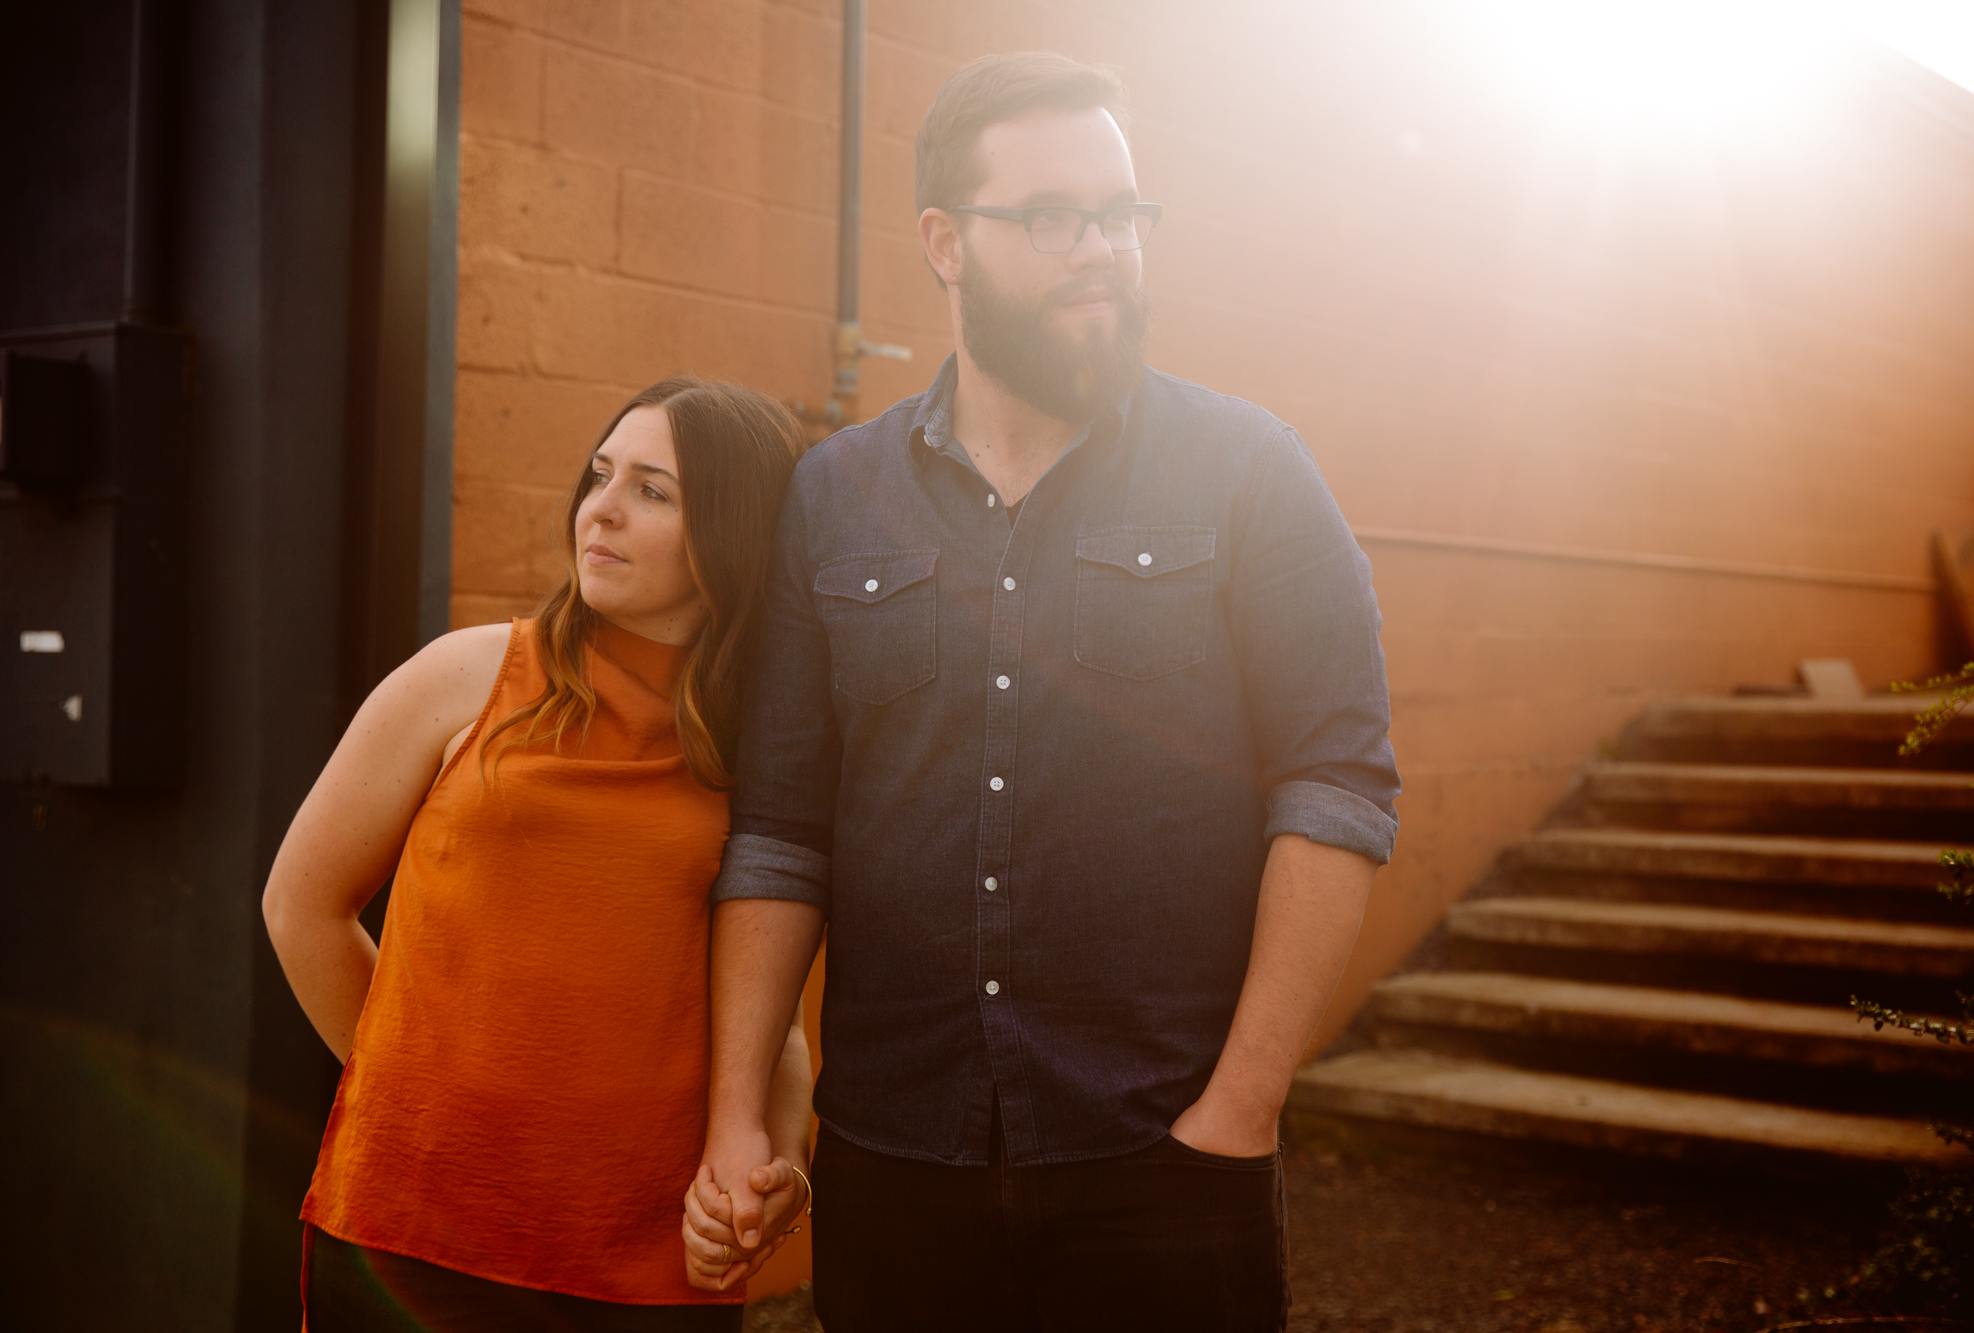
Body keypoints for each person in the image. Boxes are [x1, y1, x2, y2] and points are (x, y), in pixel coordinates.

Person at [687, 52, 1401, 1332]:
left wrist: (1239, 1107)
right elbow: (782, 830)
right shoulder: (832, 495)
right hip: (895, 1163)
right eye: (1053, 217)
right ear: (943, 242)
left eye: (1122, 214)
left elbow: (1336, 787)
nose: (1104, 250)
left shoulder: (1249, 471)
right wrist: (737, 1116)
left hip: (1165, 1161)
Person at [264, 376, 813, 1332]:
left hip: (640, 1259)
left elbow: (776, 1027)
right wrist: (423, 1102)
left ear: (732, 530)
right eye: (601, 474)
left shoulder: (761, 753)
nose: (600, 507)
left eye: (653, 490)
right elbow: (301, 904)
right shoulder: (464, 673)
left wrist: (777, 1165)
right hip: (414, 1230)